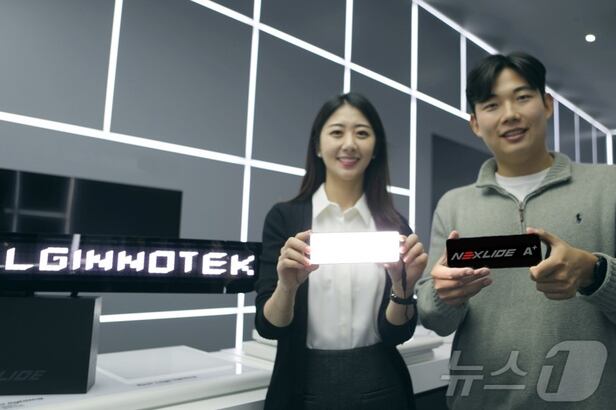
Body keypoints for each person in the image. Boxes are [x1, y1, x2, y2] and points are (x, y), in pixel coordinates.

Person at [416, 52, 616, 409]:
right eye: (492, 105)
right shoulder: (454, 204)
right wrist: (446, 296)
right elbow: (435, 319)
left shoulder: (608, 186)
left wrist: (594, 272)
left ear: (548, 104)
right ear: (475, 123)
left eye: (522, 97)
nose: (509, 114)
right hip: (480, 400)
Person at [255, 92, 428, 409]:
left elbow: (397, 333)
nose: (349, 144)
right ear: (318, 146)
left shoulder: (394, 225)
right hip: (302, 387)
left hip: (382, 386)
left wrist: (404, 287)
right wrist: (287, 287)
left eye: (362, 133)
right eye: (337, 132)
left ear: (375, 148)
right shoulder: (285, 218)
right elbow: (269, 327)